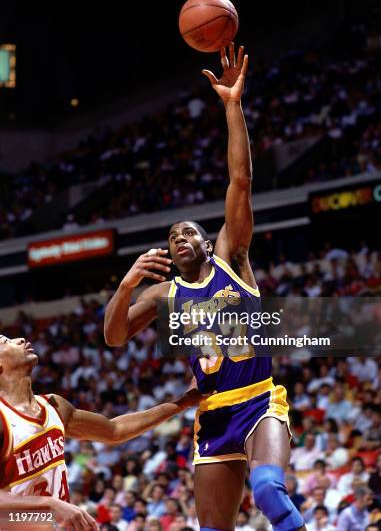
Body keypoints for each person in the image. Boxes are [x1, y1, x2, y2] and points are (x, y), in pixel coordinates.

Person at [105, 43, 305, 531]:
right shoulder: (162, 296)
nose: (180, 238)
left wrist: (233, 106)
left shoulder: (232, 258)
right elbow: (113, 336)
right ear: (169, 254)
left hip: (259, 399)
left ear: (208, 243)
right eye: (173, 236)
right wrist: (127, 284)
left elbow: (240, 180)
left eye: (189, 231)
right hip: (213, 415)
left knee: (267, 491)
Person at [0, 333, 202, 530]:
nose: (19, 339)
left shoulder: (54, 406)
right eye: (5, 342)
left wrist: (182, 403)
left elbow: (115, 430)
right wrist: (49, 505)